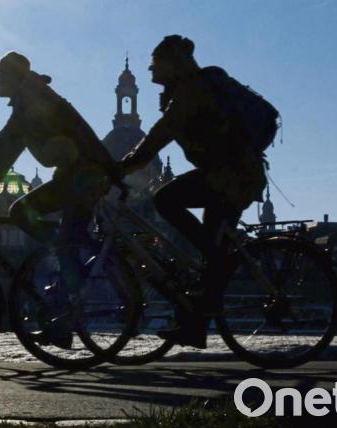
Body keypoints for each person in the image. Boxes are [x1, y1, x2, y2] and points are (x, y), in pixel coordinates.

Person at [0, 51, 119, 348]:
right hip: (79, 176)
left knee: (24, 213)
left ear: (12, 77)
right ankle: (66, 268)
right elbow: (7, 145)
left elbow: (7, 145)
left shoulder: (32, 101)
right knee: (54, 234)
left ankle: (66, 264)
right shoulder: (33, 97)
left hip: (83, 178)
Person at [120, 35, 269, 348]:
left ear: (172, 65)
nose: (150, 70)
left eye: (155, 64)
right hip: (225, 176)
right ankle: (195, 325)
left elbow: (160, 134)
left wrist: (124, 165)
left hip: (231, 179)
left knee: (167, 200)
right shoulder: (188, 89)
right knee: (208, 252)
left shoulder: (192, 91)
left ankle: (214, 264)